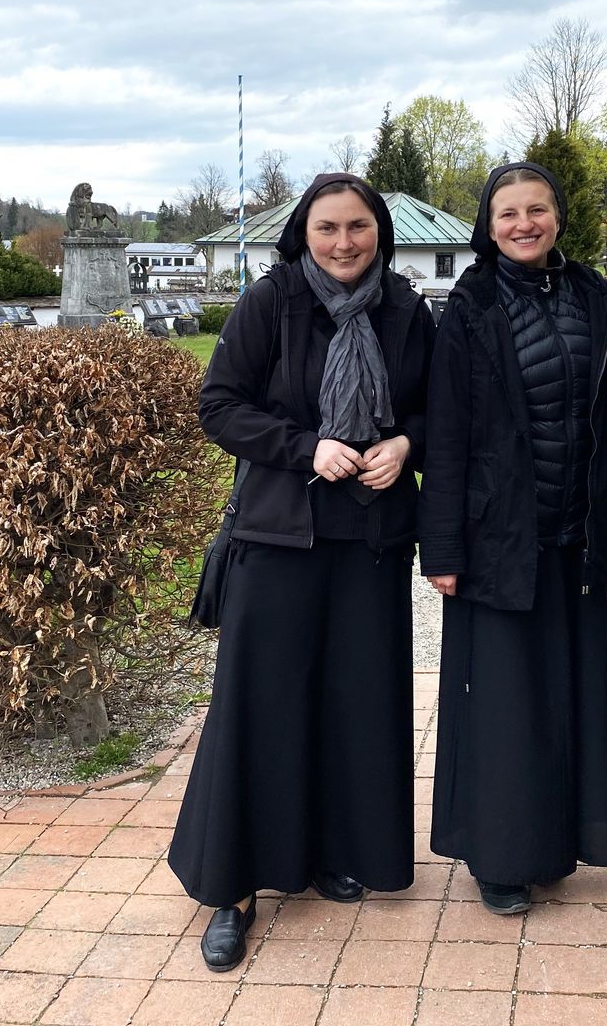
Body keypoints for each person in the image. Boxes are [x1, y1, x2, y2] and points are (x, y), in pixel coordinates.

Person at [167, 173, 436, 971]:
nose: (345, 242)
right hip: (278, 535)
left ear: (379, 231)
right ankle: (235, 887)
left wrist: (403, 445)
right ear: (304, 233)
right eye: (328, 228)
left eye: (358, 227)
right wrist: (303, 446)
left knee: (355, 703)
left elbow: (432, 406)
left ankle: (330, 851)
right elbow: (220, 404)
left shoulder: (404, 309)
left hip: (371, 539)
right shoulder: (271, 300)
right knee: (260, 705)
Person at [420, 162, 607, 915]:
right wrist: (441, 547)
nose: (522, 223)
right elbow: (444, 435)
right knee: (506, 706)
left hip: (576, 538)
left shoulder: (596, 298)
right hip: (497, 540)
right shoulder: (470, 305)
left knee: (570, 696)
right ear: (488, 224)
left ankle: (561, 841)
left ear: (557, 217)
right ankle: (501, 858)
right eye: (507, 212)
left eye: (536, 209)